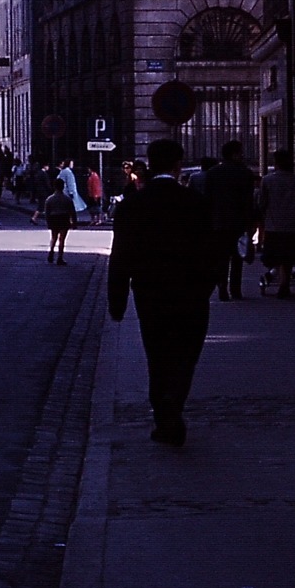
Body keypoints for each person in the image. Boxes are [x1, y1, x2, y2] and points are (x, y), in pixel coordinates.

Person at [107, 138, 216, 447]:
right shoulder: (195, 202)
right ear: (178, 165)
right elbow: (212, 251)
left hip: (150, 293)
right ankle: (174, 404)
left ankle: (163, 413)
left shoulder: (132, 205)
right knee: (186, 354)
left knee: (157, 355)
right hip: (191, 294)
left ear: (150, 165)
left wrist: (117, 301)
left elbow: (121, 256)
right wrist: (206, 287)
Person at [203, 140, 257, 301]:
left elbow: (208, 200)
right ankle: (235, 289)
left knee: (221, 257)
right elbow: (249, 201)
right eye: (240, 152)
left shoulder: (213, 173)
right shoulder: (245, 173)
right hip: (238, 222)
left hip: (218, 222)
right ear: (234, 154)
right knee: (237, 256)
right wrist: (250, 223)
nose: (242, 155)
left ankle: (222, 287)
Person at [255, 148, 295, 299]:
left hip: (274, 225)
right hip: (293, 225)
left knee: (276, 255)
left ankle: (281, 279)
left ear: (276, 163)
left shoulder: (267, 180)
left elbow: (262, 203)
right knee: (290, 256)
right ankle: (285, 280)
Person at [34, 176, 77, 264]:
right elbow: (72, 211)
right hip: (64, 218)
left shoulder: (50, 199)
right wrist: (74, 222)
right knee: (62, 239)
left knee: (54, 237)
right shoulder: (67, 199)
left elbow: (47, 212)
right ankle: (60, 257)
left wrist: (48, 222)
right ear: (63, 186)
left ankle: (51, 252)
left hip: (54, 218)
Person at [58, 157, 89, 226]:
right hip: (69, 193)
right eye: (71, 163)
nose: (72, 165)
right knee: (71, 208)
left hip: (63, 192)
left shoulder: (62, 171)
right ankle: (71, 222)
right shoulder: (68, 172)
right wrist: (71, 192)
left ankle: (67, 221)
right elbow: (70, 183)